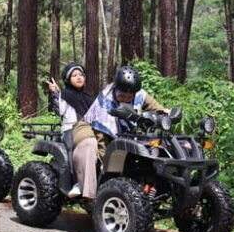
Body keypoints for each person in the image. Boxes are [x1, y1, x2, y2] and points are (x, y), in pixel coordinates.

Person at [70, 66, 167, 200]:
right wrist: (108, 174)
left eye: (129, 97)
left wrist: (166, 115)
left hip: (122, 131)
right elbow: (103, 140)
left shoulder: (139, 94)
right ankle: (90, 195)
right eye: (121, 96)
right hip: (90, 127)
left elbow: (158, 109)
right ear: (116, 89)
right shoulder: (105, 103)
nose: (125, 99)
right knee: (89, 146)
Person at [47, 62, 94, 197]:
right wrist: (56, 93)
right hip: (70, 128)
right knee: (72, 151)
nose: (79, 77)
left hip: (88, 128)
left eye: (81, 75)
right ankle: (77, 182)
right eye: (74, 75)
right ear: (68, 79)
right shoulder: (66, 94)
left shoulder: (88, 96)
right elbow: (60, 111)